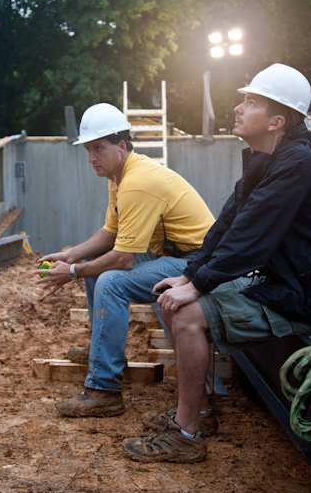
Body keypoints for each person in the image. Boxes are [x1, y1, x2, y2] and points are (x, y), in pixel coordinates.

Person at [123, 64, 311, 464]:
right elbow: (228, 224)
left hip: (309, 298)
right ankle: (199, 413)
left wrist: (196, 287)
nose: (237, 108)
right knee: (174, 296)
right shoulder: (269, 160)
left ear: (277, 120)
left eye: (251, 102)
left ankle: (185, 435)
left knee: (187, 313)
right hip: (283, 283)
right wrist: (189, 273)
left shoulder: (297, 164)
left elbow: (251, 238)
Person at [36, 102, 215, 418]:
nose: (91, 158)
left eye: (98, 149)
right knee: (96, 265)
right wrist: (71, 255)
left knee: (109, 280)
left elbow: (122, 259)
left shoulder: (136, 182)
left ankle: (104, 389)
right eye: (88, 150)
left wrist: (73, 271)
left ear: (121, 146)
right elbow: (111, 231)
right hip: (175, 254)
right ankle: (100, 349)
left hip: (197, 263)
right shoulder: (120, 175)